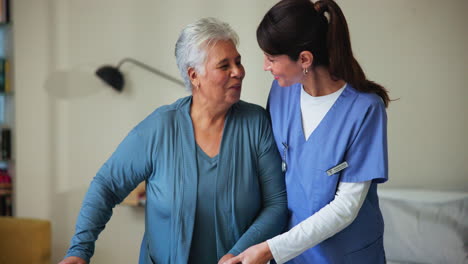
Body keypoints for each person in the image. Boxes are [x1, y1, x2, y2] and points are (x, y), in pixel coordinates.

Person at [59, 17, 288, 264]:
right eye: (224, 66)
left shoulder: (256, 123)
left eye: (238, 61)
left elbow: (276, 204)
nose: (238, 72)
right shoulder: (160, 127)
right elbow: (106, 186)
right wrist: (79, 250)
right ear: (194, 76)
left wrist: (237, 255)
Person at [224, 0, 390, 263]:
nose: (265, 66)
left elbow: (346, 207)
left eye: (271, 59)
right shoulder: (282, 92)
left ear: (304, 59)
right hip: (292, 253)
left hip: (344, 255)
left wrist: (270, 249)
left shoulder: (365, 110)